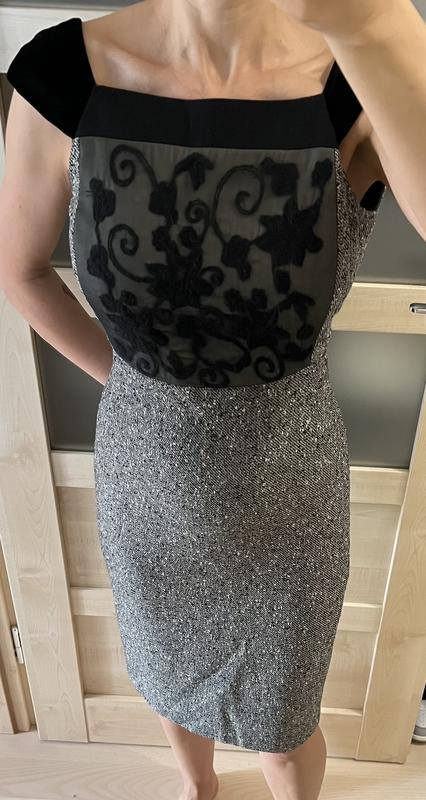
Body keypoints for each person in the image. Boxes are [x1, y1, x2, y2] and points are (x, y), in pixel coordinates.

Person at [1, 3, 425, 800]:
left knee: (285, 720)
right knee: (169, 676)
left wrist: (377, 26)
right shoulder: (62, 77)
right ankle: (198, 788)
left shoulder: (352, 74)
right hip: (146, 486)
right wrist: (137, 388)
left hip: (289, 490)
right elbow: (18, 271)